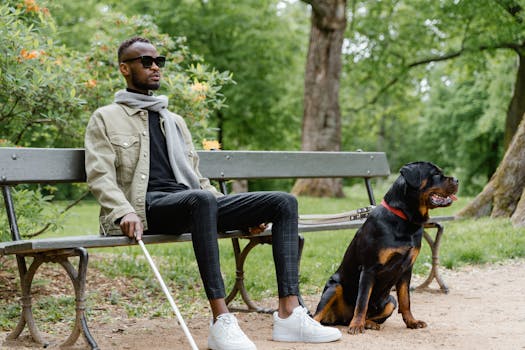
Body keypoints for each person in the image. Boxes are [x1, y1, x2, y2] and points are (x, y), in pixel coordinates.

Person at [84, 36, 342, 350]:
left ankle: (289, 314)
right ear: (125, 68)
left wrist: (237, 214)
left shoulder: (173, 121)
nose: (155, 67)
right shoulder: (106, 118)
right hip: (145, 208)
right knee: (202, 200)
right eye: (146, 62)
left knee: (283, 202)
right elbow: (99, 175)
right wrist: (122, 210)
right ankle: (221, 321)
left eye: (159, 61)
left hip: (193, 202)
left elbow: (196, 177)